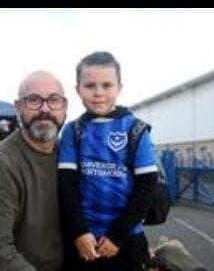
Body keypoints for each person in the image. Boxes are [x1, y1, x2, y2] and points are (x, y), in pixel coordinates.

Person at [58, 51, 158, 271]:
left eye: (106, 85)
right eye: (90, 85)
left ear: (119, 88)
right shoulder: (72, 131)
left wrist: (118, 236)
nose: (98, 93)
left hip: (126, 241)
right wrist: (79, 232)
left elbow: (147, 186)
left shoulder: (136, 129)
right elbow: (66, 186)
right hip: (83, 242)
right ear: (78, 89)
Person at [0, 71, 68, 271]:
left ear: (64, 107)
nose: (44, 109)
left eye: (53, 100)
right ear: (18, 107)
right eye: (33, 100)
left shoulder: (72, 158)